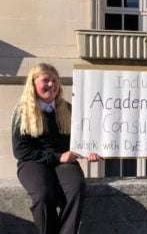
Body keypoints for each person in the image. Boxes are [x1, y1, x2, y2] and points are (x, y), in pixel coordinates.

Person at [11, 63, 102, 234]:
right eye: (46, 80)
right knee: (43, 195)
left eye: (55, 80)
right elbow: (21, 151)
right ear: (33, 83)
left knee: (76, 188)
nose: (52, 85)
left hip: (64, 161)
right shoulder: (22, 112)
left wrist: (92, 150)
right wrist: (58, 157)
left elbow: (83, 139)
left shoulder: (67, 109)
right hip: (32, 161)